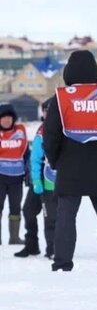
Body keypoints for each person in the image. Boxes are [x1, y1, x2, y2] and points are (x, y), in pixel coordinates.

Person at [42, 51, 97, 271]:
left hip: (70, 166)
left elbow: (50, 136)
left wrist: (56, 162)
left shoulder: (62, 97)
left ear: (68, 72)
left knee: (65, 216)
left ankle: (63, 262)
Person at [15, 99, 57, 259]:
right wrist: (35, 179)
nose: (47, 113)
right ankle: (32, 245)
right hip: (38, 180)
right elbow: (35, 158)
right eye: (45, 110)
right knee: (28, 211)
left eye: (50, 110)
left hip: (51, 182)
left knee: (50, 217)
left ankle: (53, 248)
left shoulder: (63, 129)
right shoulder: (41, 130)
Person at [0, 103, 28, 246]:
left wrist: (28, 170)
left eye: (9, 117)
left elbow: (26, 154)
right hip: (0, 177)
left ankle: (14, 238)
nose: (6, 120)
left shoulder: (20, 132)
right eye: (3, 118)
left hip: (17, 178)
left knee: (15, 207)